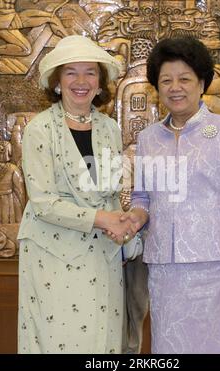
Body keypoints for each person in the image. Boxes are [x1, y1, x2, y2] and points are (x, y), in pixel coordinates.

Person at [122, 36, 220, 354]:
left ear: (201, 83)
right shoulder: (148, 138)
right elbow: (143, 197)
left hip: (217, 271)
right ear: (157, 87)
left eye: (184, 79)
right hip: (164, 271)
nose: (175, 87)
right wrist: (135, 216)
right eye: (166, 80)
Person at [17, 35, 136, 354]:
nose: (81, 81)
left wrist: (124, 226)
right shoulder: (39, 129)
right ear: (57, 82)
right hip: (52, 258)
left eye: (90, 72)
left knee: (102, 344)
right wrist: (103, 218)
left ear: (100, 83)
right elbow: (43, 203)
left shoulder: (109, 128)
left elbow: (109, 191)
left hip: (102, 259)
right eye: (71, 72)